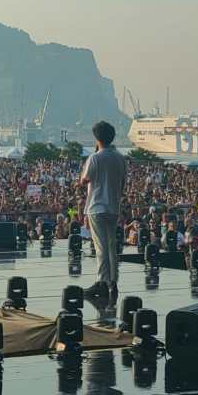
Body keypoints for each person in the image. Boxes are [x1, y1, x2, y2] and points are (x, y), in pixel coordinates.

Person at [78, 121, 127, 298]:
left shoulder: (95, 158)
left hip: (97, 206)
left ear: (97, 138)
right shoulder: (120, 158)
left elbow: (84, 180)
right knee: (112, 246)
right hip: (113, 207)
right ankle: (113, 281)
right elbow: (123, 183)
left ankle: (102, 282)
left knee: (101, 247)